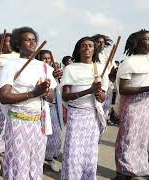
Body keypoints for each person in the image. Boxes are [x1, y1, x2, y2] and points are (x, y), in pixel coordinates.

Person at [0, 26, 57, 179]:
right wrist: (33, 93)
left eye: (34, 40)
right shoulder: (11, 66)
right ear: (18, 44)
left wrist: (44, 91)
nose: (32, 43)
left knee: (36, 165)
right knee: (18, 165)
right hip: (18, 122)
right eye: (27, 40)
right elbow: (4, 96)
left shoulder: (44, 67)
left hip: (39, 124)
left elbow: (51, 98)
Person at [60, 36, 109, 180]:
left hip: (92, 117)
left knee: (90, 155)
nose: (87, 48)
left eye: (90, 46)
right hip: (76, 115)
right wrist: (88, 90)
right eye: (83, 45)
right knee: (73, 154)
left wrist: (99, 94)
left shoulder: (100, 69)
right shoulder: (70, 68)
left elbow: (102, 98)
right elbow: (65, 96)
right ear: (78, 49)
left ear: (94, 50)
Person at [114, 29, 149, 179]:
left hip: (147, 105)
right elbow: (123, 89)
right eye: (147, 39)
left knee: (143, 140)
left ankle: (141, 168)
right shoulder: (129, 62)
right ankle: (124, 171)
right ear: (136, 44)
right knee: (128, 139)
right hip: (133, 106)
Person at [0, 32, 20, 173]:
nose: (10, 43)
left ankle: (8, 154)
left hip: (16, 95)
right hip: (0, 95)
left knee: (13, 127)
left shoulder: (19, 57)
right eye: (7, 41)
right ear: (1, 43)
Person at [37, 49, 64, 172]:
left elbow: (60, 89)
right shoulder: (37, 70)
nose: (47, 60)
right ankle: (41, 159)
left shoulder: (55, 72)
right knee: (43, 135)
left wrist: (59, 78)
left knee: (56, 135)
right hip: (42, 107)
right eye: (44, 58)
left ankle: (53, 158)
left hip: (54, 107)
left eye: (49, 58)